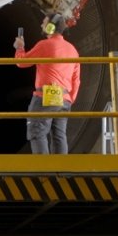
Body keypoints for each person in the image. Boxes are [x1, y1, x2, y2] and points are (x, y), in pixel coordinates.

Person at [14, 16, 80, 154]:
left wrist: (20, 48)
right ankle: (60, 171)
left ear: (51, 27)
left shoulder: (45, 45)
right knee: (59, 136)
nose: (40, 25)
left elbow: (22, 62)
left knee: (37, 132)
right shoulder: (73, 50)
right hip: (65, 99)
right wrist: (70, 98)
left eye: (43, 23)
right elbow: (76, 79)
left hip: (46, 96)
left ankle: (43, 171)